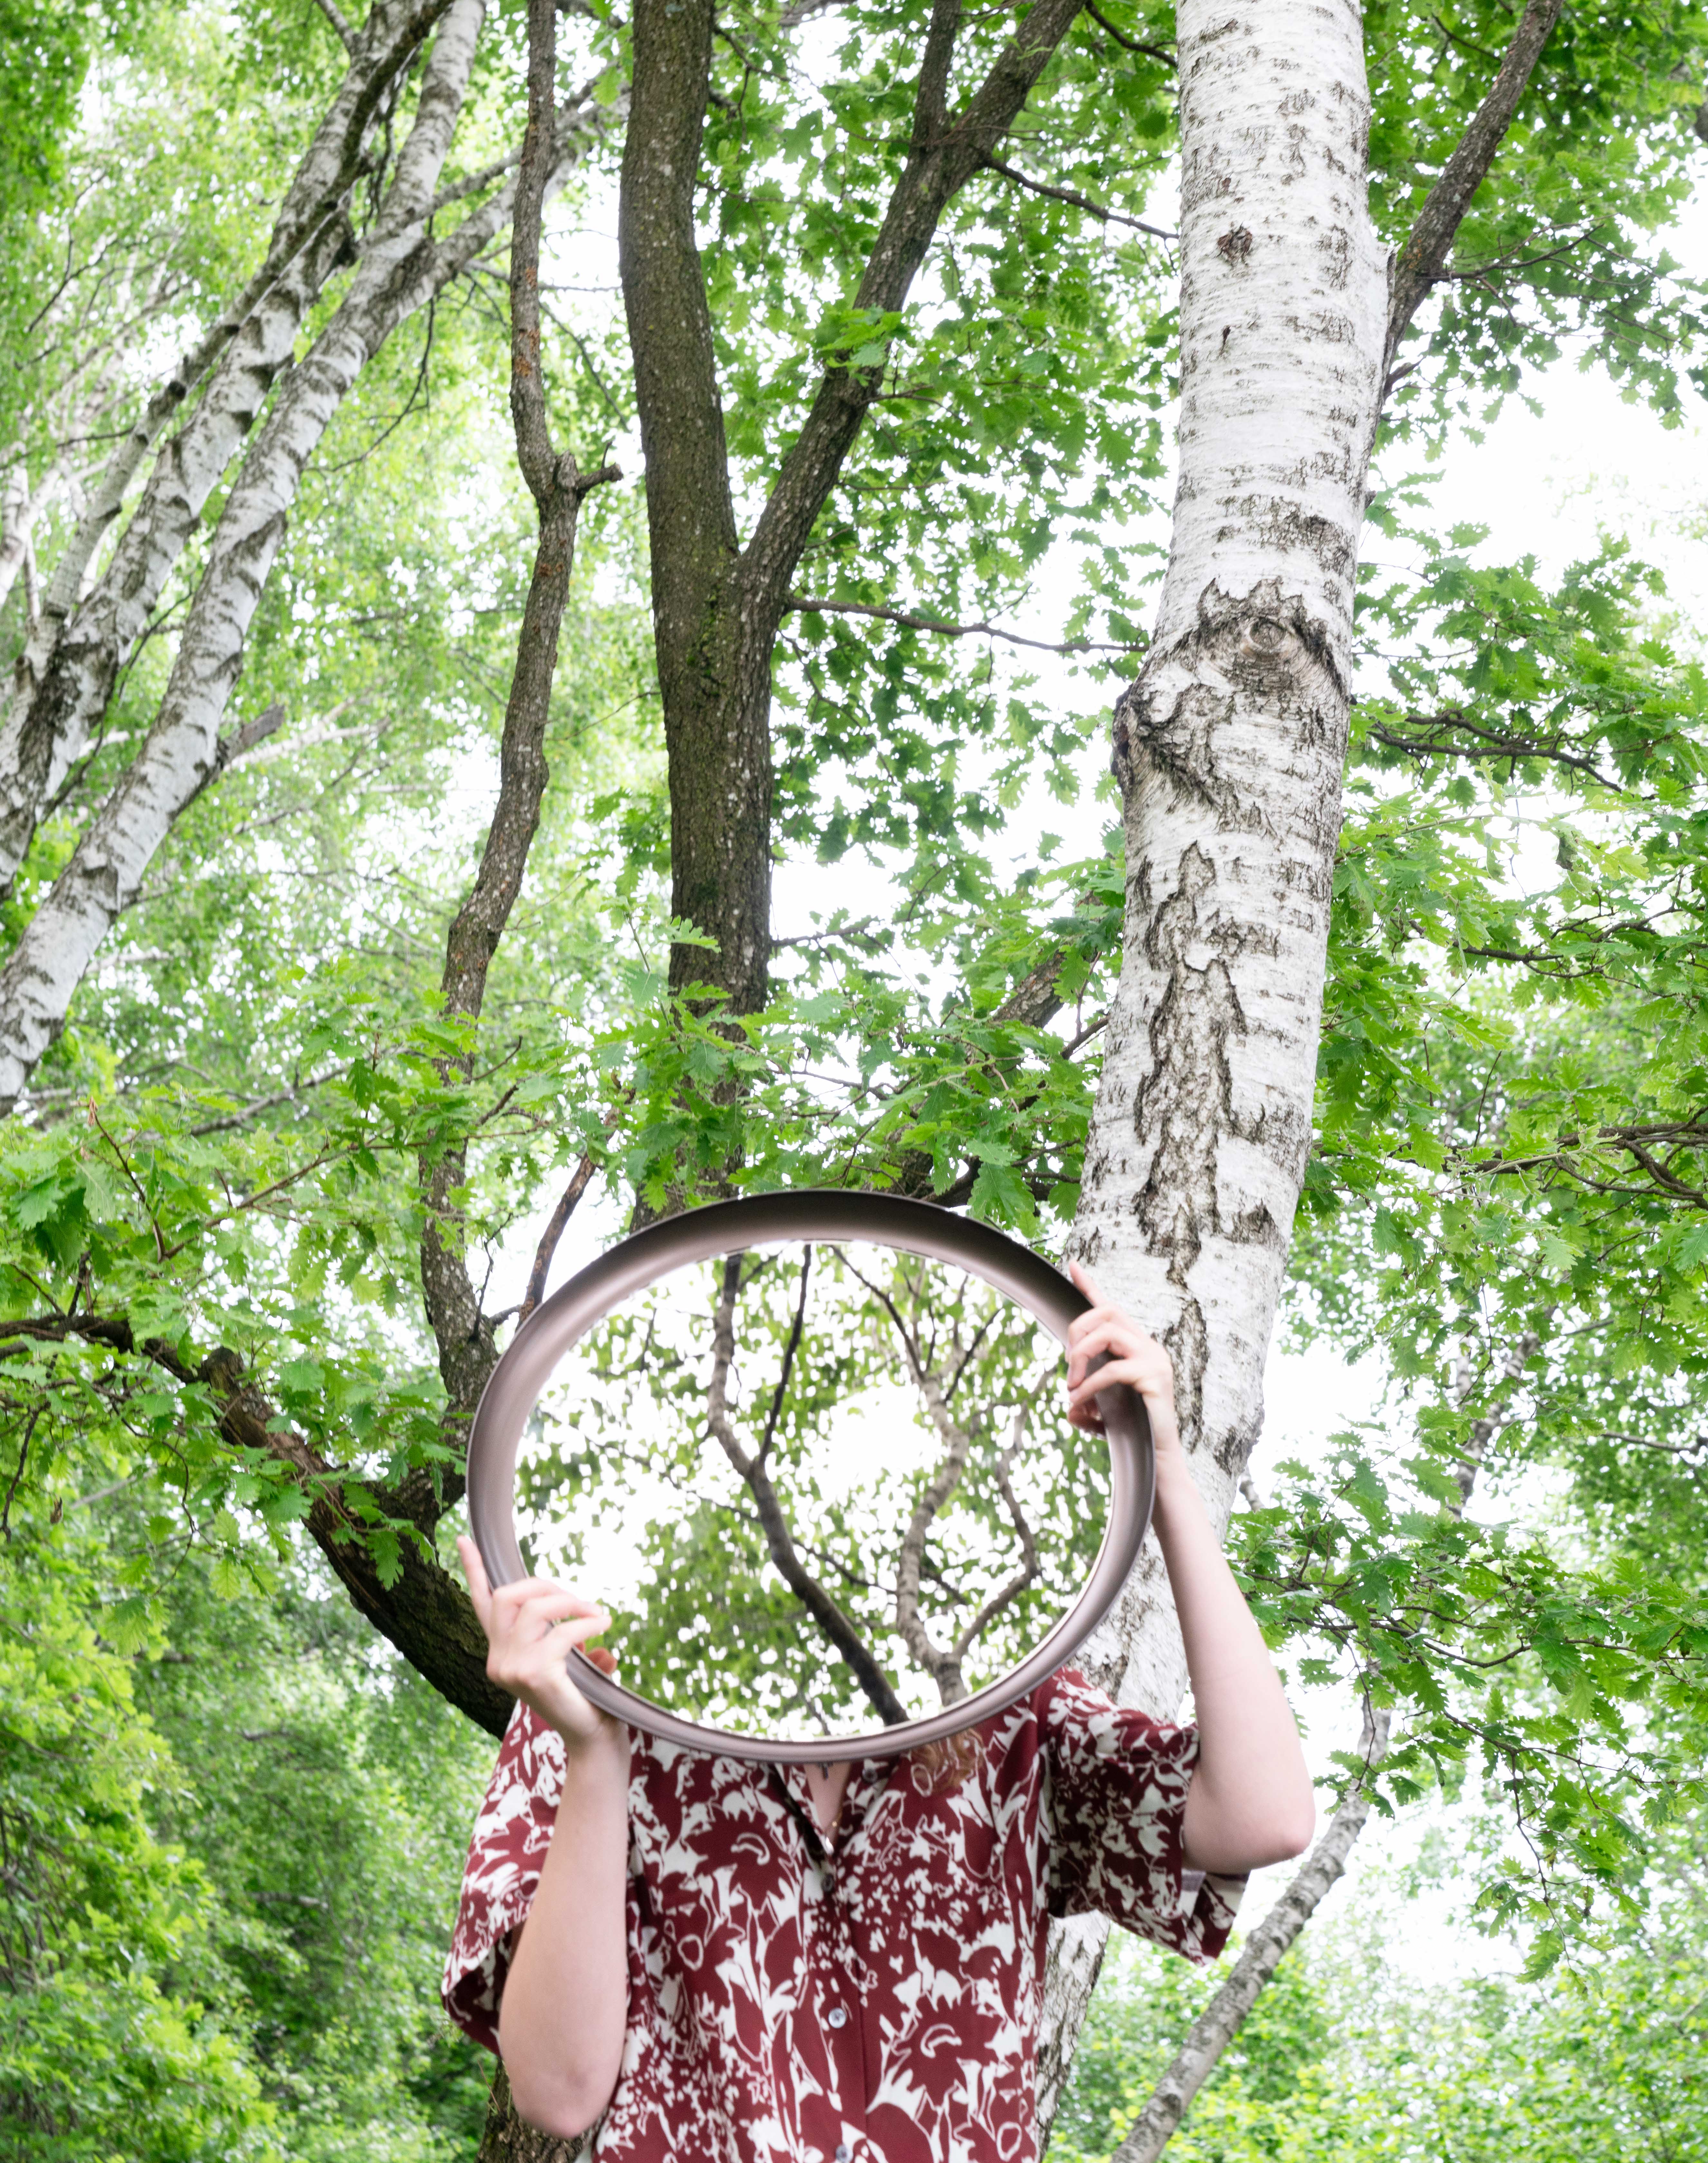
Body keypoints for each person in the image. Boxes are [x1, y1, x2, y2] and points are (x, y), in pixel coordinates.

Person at [442, 1265, 1316, 2161]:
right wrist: (594, 1757)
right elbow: (557, 2094)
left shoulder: (1013, 1713)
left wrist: (1165, 1475)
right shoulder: (592, 1702)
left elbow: (1267, 1818)